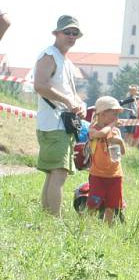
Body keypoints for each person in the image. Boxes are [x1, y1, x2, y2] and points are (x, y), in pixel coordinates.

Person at [33, 15, 86, 217]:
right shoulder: (49, 55)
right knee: (59, 174)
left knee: (53, 174)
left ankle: (47, 218)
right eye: (67, 32)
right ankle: (54, 220)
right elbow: (40, 85)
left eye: (75, 33)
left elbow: (68, 93)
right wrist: (68, 101)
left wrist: (78, 104)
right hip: (54, 125)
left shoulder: (63, 59)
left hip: (57, 124)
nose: (71, 36)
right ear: (56, 33)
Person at [87, 96, 126, 226]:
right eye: (114, 113)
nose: (116, 117)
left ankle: (107, 228)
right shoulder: (93, 130)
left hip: (115, 175)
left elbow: (122, 153)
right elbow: (102, 134)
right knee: (93, 204)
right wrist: (112, 125)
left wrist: (119, 141)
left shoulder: (115, 131)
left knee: (112, 205)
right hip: (98, 175)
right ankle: (87, 226)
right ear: (103, 114)